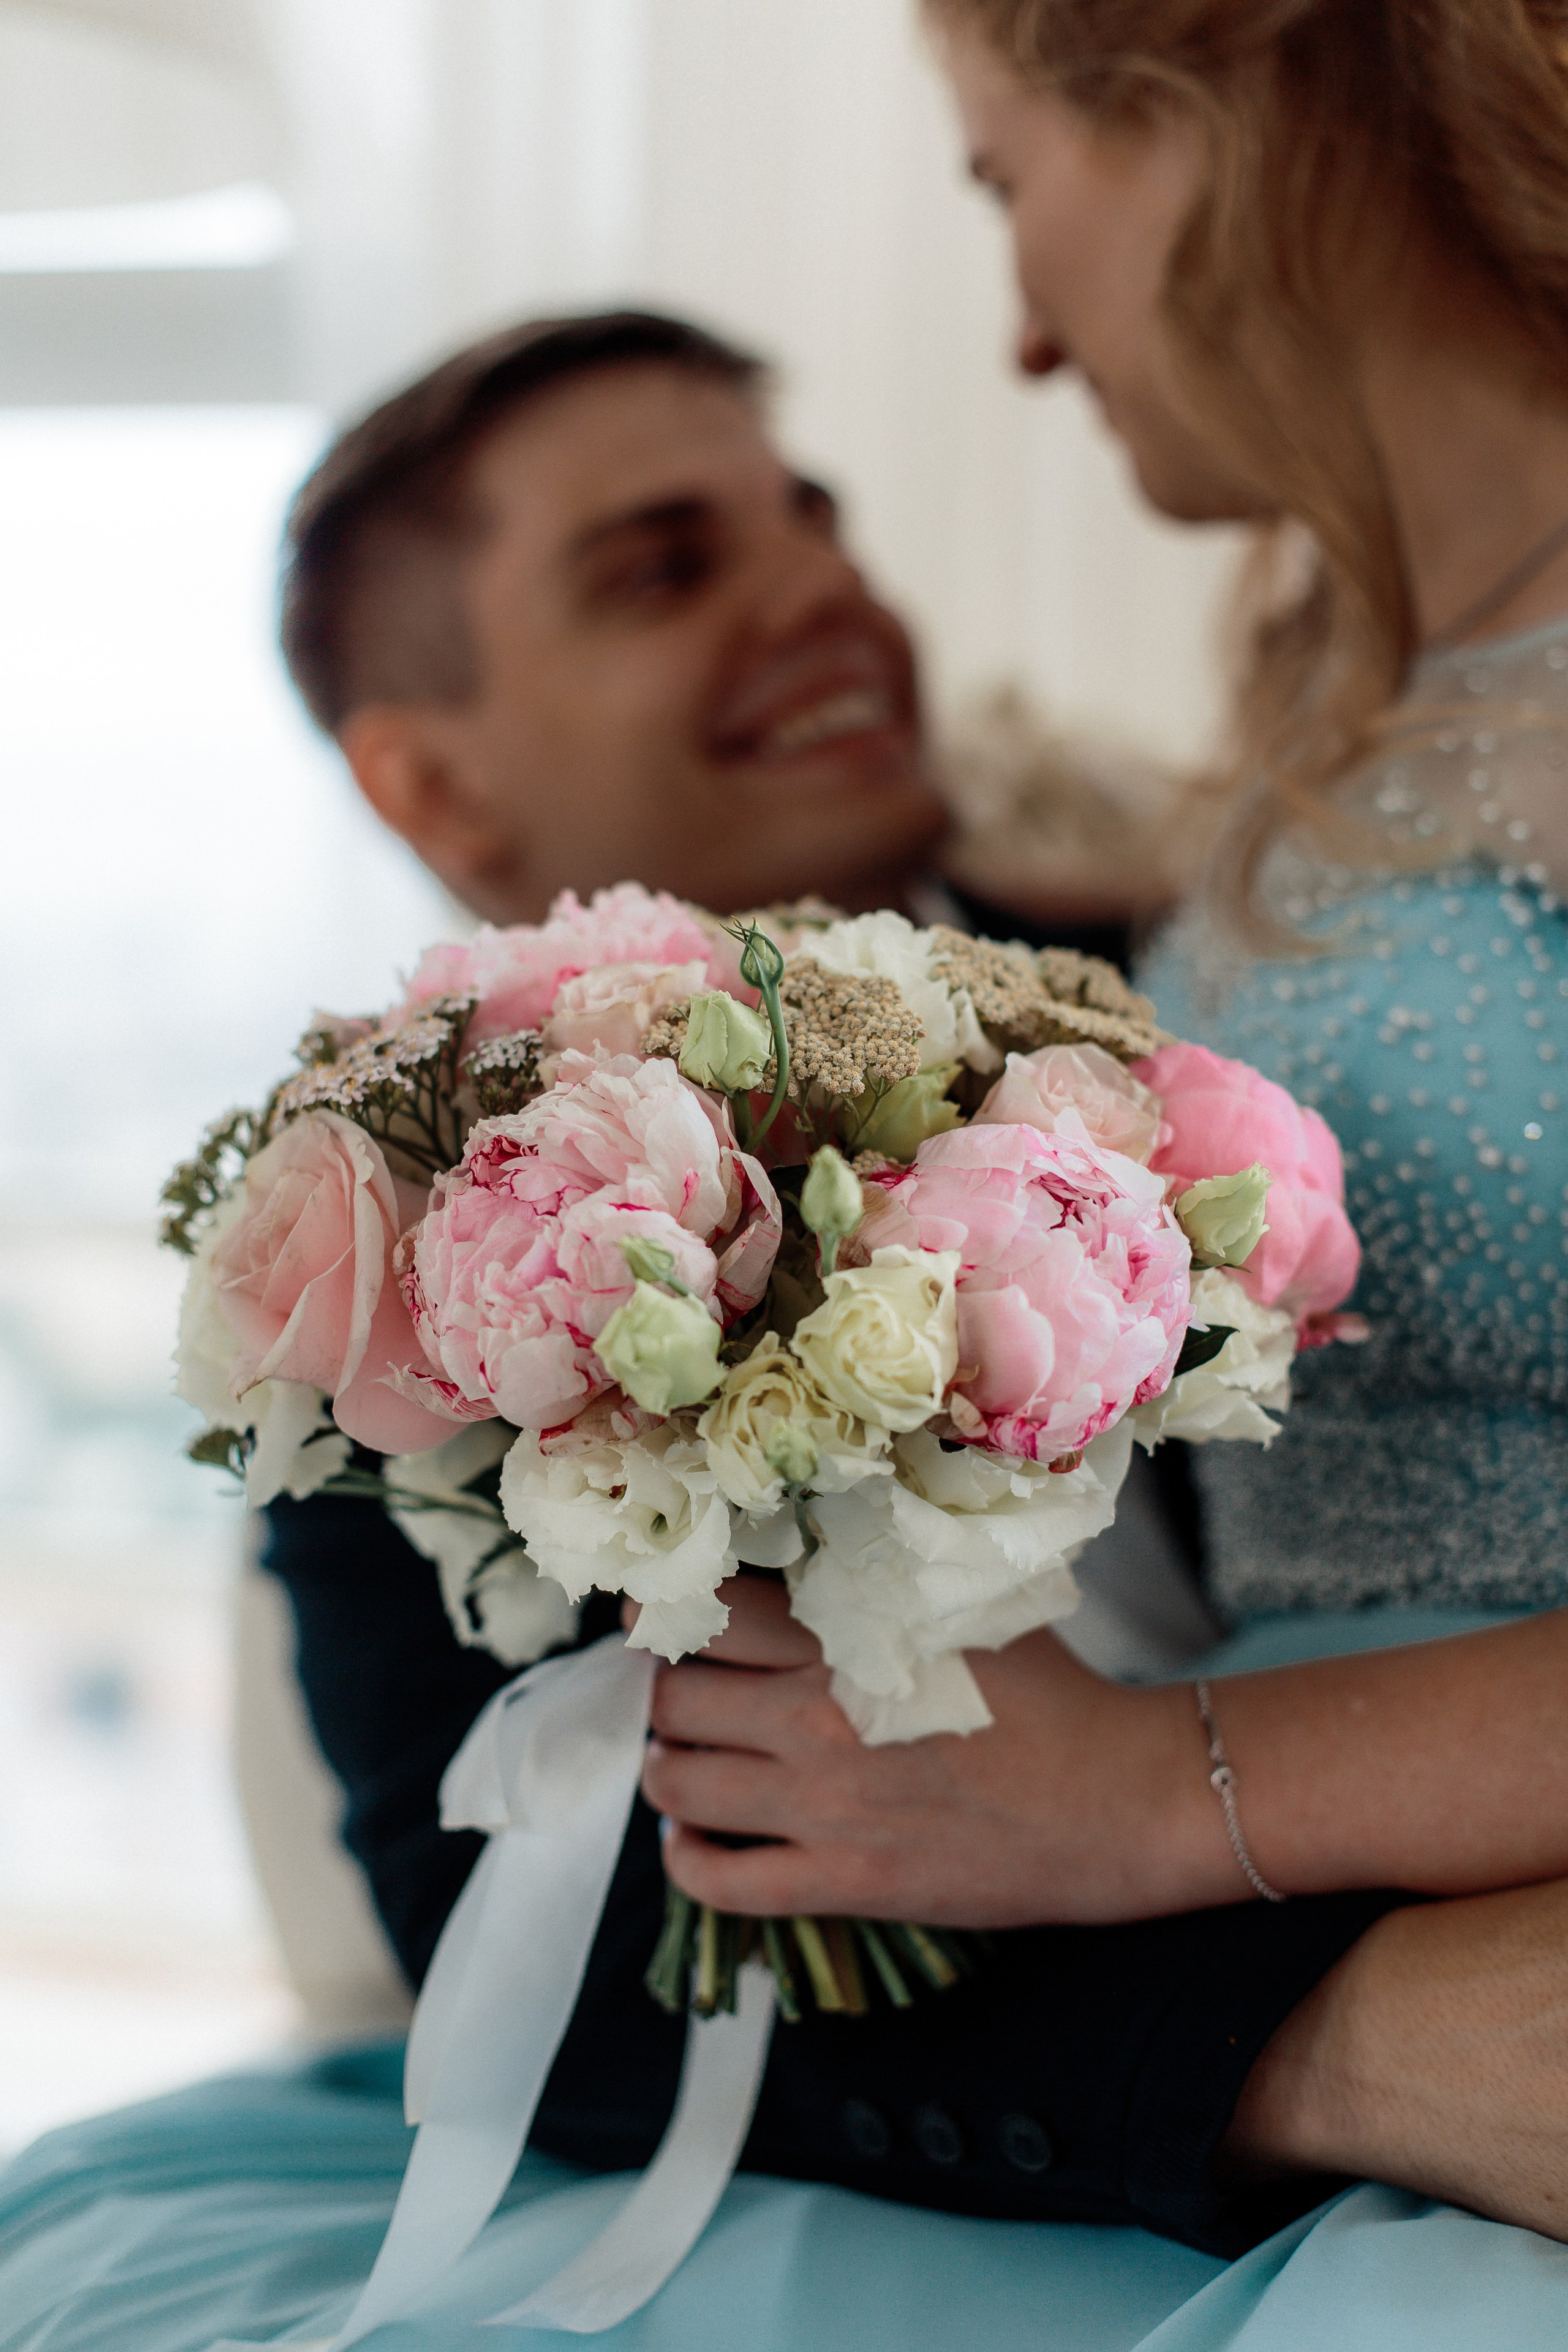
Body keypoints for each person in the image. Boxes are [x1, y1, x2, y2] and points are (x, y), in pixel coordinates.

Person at [635, 0, 1568, 2340]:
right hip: (1327, 1956)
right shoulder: (1347, 693)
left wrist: (1154, 1792)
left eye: (1004, 182)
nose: (1030, 338)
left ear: (1222, 115)